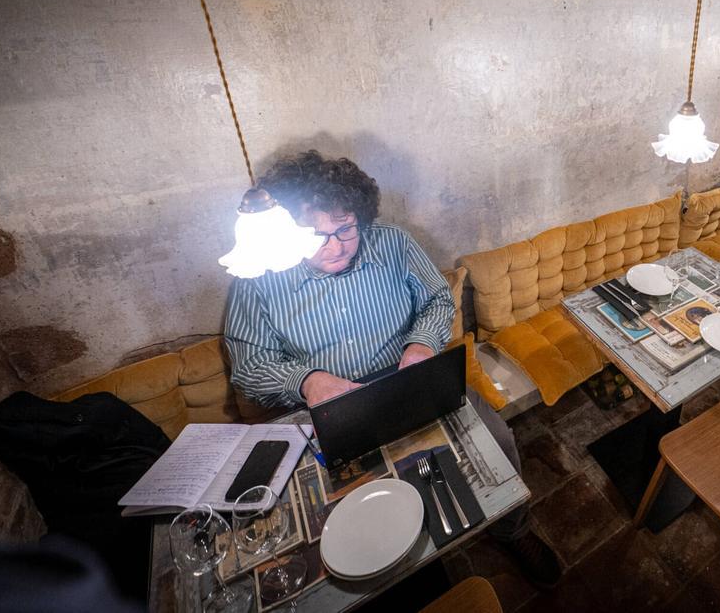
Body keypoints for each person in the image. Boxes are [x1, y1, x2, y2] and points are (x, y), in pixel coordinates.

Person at [224, 151, 561, 587]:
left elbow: (438, 299)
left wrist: (421, 345)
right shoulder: (262, 271)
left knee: (498, 441)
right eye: (315, 235)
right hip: (328, 405)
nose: (335, 245)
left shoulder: (392, 243)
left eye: (345, 228)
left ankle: (513, 530)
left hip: (407, 376)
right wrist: (306, 380)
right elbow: (249, 366)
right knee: (343, 509)